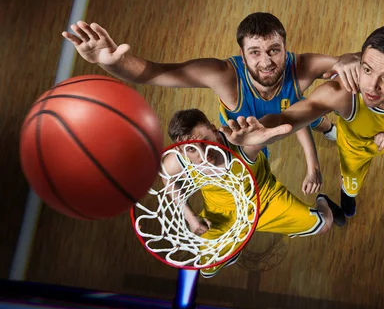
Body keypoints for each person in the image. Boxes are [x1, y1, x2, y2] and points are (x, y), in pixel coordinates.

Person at [62, 13, 361, 196]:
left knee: (308, 111)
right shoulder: (222, 75)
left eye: (274, 50)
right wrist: (113, 63)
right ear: (243, 57)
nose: (266, 60)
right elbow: (154, 72)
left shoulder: (303, 65)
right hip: (246, 135)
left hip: (286, 117)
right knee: (294, 118)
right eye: (255, 52)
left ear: (286, 49)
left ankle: (328, 129)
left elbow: (358, 64)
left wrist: (350, 58)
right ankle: (325, 128)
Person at [218, 25, 384, 218]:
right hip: (358, 146)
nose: (371, 86)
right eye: (366, 69)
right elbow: (293, 115)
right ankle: (347, 204)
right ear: (360, 61)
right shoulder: (342, 92)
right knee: (351, 186)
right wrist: (262, 128)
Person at [162, 108, 345, 278]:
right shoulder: (178, 161)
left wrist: (312, 167)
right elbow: (166, 177)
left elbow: (294, 117)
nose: (203, 153)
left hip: (265, 200)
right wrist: (190, 217)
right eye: (192, 149)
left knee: (324, 225)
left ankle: (324, 202)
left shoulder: (243, 144)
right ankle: (236, 243)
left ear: (213, 129)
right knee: (207, 270)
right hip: (221, 216)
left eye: (205, 141)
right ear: (180, 150)